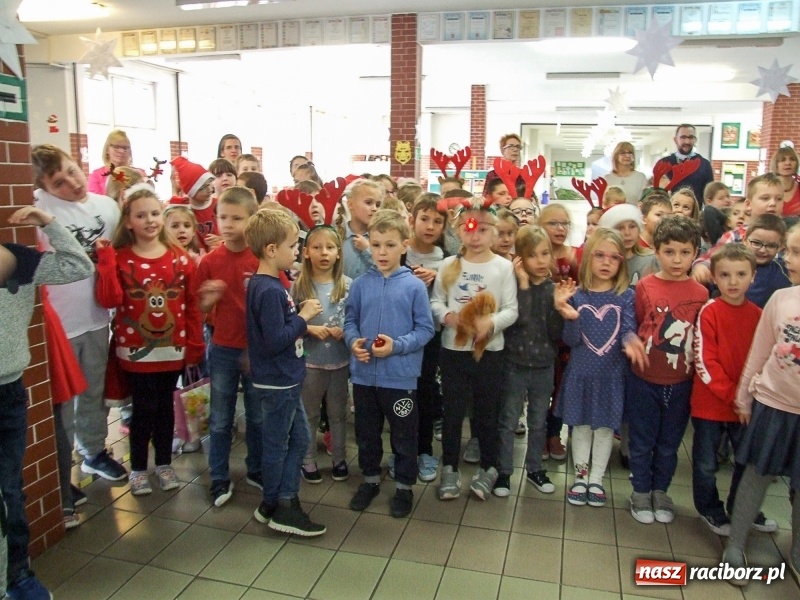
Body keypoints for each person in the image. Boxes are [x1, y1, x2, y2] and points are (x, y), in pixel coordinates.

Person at [1, 205, 94, 600]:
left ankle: (17, 576)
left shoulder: (16, 261)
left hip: (8, 391)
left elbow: (78, 266)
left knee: (9, 492)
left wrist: (49, 223)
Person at [95, 188, 204, 495]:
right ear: (128, 222)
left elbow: (192, 305)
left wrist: (195, 344)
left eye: (155, 213)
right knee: (143, 410)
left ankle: (164, 464)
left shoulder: (181, 259)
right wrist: (105, 262)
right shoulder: (120, 258)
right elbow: (109, 299)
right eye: (141, 215)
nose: (150, 220)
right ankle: (139, 469)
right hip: (135, 353)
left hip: (173, 350)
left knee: (166, 409)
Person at [31, 144, 128, 483]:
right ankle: (61, 473)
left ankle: (93, 452)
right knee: (62, 401)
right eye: (59, 182)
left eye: (72, 171)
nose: (72, 183)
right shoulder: (38, 209)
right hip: (59, 325)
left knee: (93, 391)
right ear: (43, 187)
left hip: (97, 317)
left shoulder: (106, 207)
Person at [721, 222, 800, 584]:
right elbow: (760, 351)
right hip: (773, 404)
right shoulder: (781, 299)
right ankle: (735, 544)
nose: (788, 259)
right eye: (789, 251)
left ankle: (797, 550)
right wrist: (743, 397)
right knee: (756, 474)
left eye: (796, 253)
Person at [345, 210, 434, 517]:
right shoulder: (360, 285)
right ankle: (369, 480)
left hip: (400, 379)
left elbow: (425, 329)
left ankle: (404, 486)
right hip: (363, 377)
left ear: (404, 246)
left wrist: (397, 346)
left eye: (390, 245)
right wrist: (353, 342)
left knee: (404, 435)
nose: (382, 252)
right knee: (367, 433)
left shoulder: (414, 287)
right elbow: (350, 321)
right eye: (376, 244)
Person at [431, 197, 519, 500]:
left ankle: (488, 467)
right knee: (453, 412)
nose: (476, 236)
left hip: (490, 353)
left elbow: (511, 309)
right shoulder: (448, 265)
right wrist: (449, 317)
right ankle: (450, 467)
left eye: (483, 229)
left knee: (487, 412)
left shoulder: (503, 267)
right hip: (453, 352)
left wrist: (491, 323)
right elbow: (436, 302)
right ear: (458, 231)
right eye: (469, 229)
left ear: (494, 232)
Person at [245, 209, 326, 536]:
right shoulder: (269, 291)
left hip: (284, 379)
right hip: (278, 381)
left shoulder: (268, 285)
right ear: (271, 250)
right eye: (292, 246)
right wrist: (304, 318)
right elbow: (274, 340)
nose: (297, 251)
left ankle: (273, 502)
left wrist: (299, 321)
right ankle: (284, 504)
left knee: (298, 438)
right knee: (280, 444)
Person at [555, 228, 646, 507]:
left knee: (605, 430)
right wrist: (570, 316)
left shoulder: (625, 296)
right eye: (600, 255)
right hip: (581, 375)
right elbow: (571, 341)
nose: (607, 262)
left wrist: (631, 341)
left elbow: (627, 328)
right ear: (588, 259)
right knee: (581, 428)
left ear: (622, 262)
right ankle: (580, 477)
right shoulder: (577, 296)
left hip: (611, 377)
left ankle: (596, 479)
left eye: (614, 257)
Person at [627, 215, 709, 525]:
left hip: (681, 381)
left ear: (695, 253)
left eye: (685, 252)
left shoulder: (701, 293)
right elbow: (638, 322)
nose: (677, 259)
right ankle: (640, 491)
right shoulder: (645, 286)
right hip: (644, 378)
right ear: (657, 252)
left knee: (669, 443)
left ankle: (660, 490)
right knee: (642, 440)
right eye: (669, 252)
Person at [690, 243, 768, 536]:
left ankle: (742, 507)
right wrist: (735, 396)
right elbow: (704, 360)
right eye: (724, 275)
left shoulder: (759, 315)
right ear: (714, 277)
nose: (733, 282)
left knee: (746, 461)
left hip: (744, 406)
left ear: (753, 276)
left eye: (741, 274)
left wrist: (747, 397)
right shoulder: (709, 312)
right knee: (706, 463)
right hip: (711, 405)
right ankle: (709, 509)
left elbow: (763, 358)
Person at [195, 187, 263, 506]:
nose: (228, 224)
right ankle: (219, 477)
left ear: (252, 220)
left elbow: (277, 303)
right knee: (221, 418)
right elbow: (198, 308)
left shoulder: (262, 259)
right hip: (222, 348)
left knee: (257, 416)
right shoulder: (210, 262)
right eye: (223, 217)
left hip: (256, 350)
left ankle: (257, 468)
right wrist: (207, 301)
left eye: (237, 218)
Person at [495, 226, 563, 497]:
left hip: (544, 366)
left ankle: (535, 468)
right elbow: (517, 320)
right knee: (508, 420)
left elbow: (556, 333)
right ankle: (503, 471)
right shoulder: (512, 287)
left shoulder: (553, 289)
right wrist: (523, 284)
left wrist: (559, 308)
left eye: (545, 253)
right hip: (514, 364)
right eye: (532, 255)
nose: (541, 260)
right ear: (520, 259)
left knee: (538, 422)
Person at [291, 226, 351, 484]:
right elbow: (290, 323)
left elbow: (355, 319)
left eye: (330, 247)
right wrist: (308, 328)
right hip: (310, 363)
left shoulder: (347, 285)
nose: (324, 253)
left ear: (338, 253)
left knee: (338, 414)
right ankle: (308, 459)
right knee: (309, 414)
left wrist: (346, 330)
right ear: (306, 252)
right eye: (317, 247)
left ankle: (339, 458)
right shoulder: (299, 286)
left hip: (339, 362)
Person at [693, 173, 785, 284]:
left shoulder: (789, 238)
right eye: (765, 198)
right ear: (748, 204)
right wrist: (702, 268)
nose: (773, 203)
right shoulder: (735, 236)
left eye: (778, 199)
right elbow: (710, 259)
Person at [539, 203, 577, 461]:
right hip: (540, 333)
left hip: (567, 334)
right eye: (553, 223)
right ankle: (540, 432)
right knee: (542, 387)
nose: (560, 228)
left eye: (564, 223)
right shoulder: (535, 256)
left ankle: (554, 433)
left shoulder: (575, 257)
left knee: (561, 386)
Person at [169, 156, 221, 253]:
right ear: (191, 191)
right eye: (202, 188)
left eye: (209, 184)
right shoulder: (184, 209)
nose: (209, 189)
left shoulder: (219, 204)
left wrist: (222, 239)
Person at [599, 204, 658, 288]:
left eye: (632, 226)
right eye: (620, 228)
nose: (627, 233)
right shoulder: (603, 262)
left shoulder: (651, 260)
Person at [653, 124, 714, 205]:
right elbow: (656, 193)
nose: (687, 141)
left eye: (691, 137)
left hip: (696, 211)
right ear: (675, 140)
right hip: (669, 210)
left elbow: (709, 194)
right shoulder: (663, 164)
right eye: (683, 137)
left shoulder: (704, 165)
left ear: (695, 140)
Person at [336, 178, 384, 280]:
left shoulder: (382, 238)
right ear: (350, 204)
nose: (374, 208)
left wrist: (367, 249)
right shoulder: (337, 236)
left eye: (378, 205)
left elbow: (387, 270)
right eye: (368, 202)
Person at [743, 214, 792, 308]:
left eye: (771, 246)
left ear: (781, 246)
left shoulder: (786, 270)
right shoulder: (730, 265)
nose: (762, 250)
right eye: (756, 243)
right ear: (744, 239)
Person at [87, 129, 136, 195]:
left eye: (125, 148)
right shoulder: (96, 176)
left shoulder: (138, 173)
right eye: (116, 147)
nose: (121, 151)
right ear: (107, 149)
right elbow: (95, 200)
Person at [770, 145, 800, 217]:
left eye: (792, 159)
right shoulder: (767, 188)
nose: (788, 163)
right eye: (783, 160)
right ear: (776, 164)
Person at [701, 182, 733, 247]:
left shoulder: (733, 215)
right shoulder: (706, 216)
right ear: (709, 202)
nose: (727, 200)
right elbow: (709, 210)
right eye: (721, 198)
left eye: (728, 197)